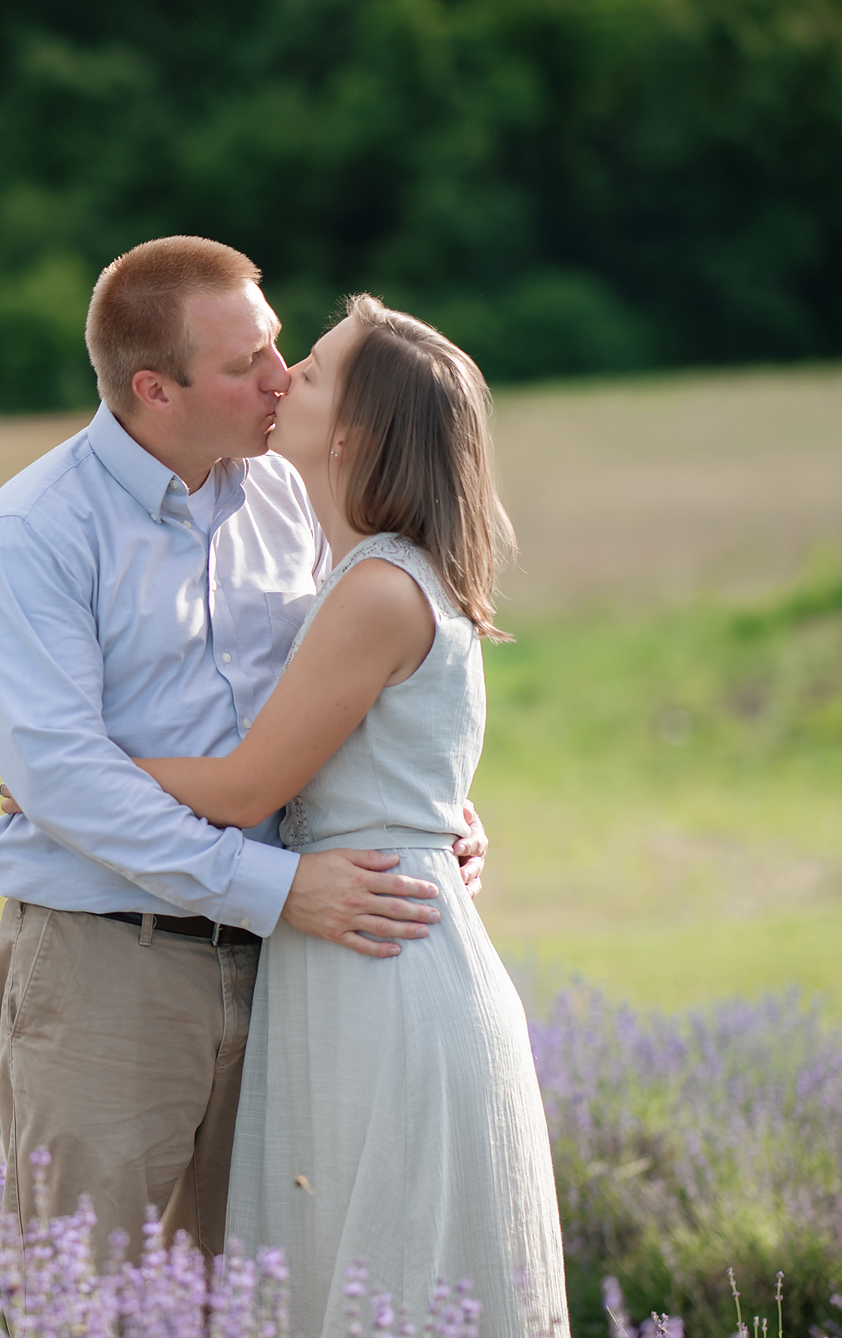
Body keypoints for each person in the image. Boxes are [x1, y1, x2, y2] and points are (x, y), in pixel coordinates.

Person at [0, 236, 487, 1261]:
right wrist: (274, 887)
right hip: (114, 966)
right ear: (156, 391)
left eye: (278, 346)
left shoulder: (291, 494)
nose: (279, 377)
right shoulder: (35, 530)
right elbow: (61, 779)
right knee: (82, 1301)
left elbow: (345, 697)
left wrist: (431, 814)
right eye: (245, 362)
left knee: (247, 1303)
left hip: (296, 971)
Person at [129, 295, 569, 1336]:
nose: (280, 377)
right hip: (357, 945)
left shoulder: (375, 585)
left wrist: (70, 772)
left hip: (379, 962)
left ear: (352, 434)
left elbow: (245, 790)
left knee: (386, 1276)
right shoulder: (366, 576)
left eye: (311, 370)